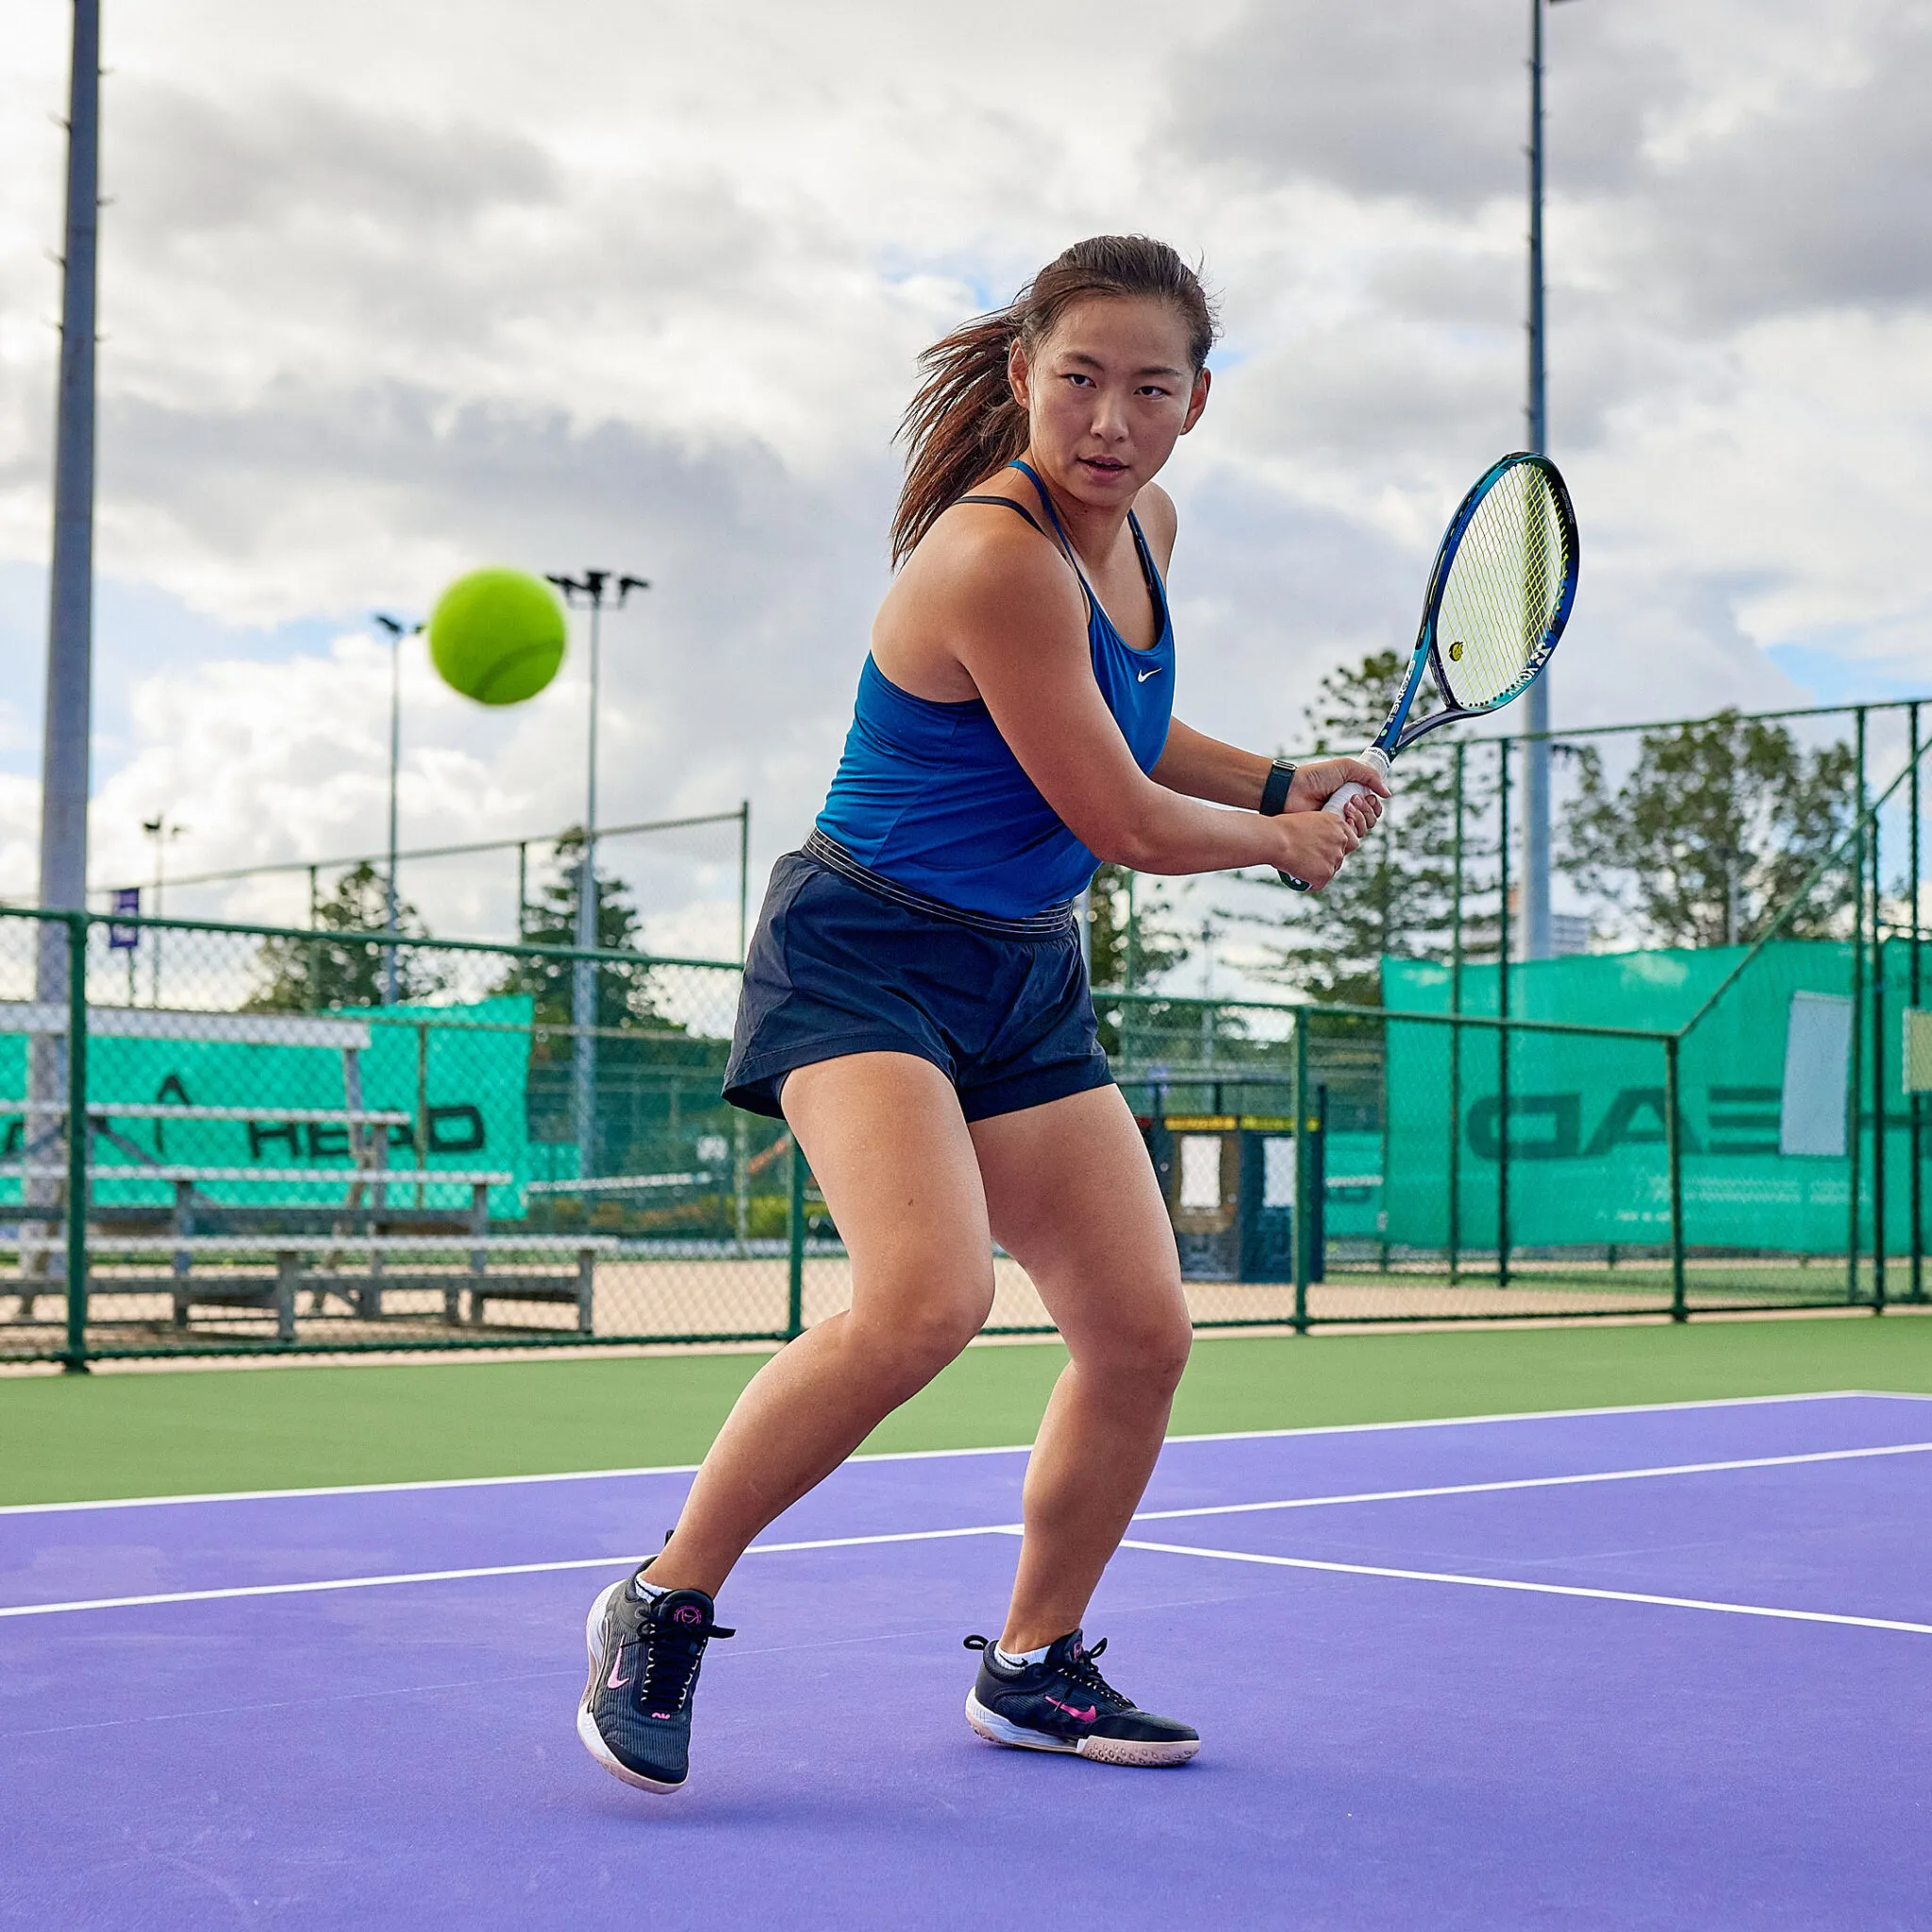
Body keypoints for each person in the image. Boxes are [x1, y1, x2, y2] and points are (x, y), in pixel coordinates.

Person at [578, 235, 1386, 1793]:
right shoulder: (993, 558)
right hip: (864, 955)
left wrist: (1284, 778)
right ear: (1023, 376)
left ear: (1197, 402)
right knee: (925, 1302)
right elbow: (1120, 815)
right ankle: (662, 1601)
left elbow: (1124, 721)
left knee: (1140, 1336)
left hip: (1020, 970)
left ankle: (1033, 1663)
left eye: (1150, 388)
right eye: (1078, 379)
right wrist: (1279, 842)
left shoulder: (1145, 531)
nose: (1111, 421)